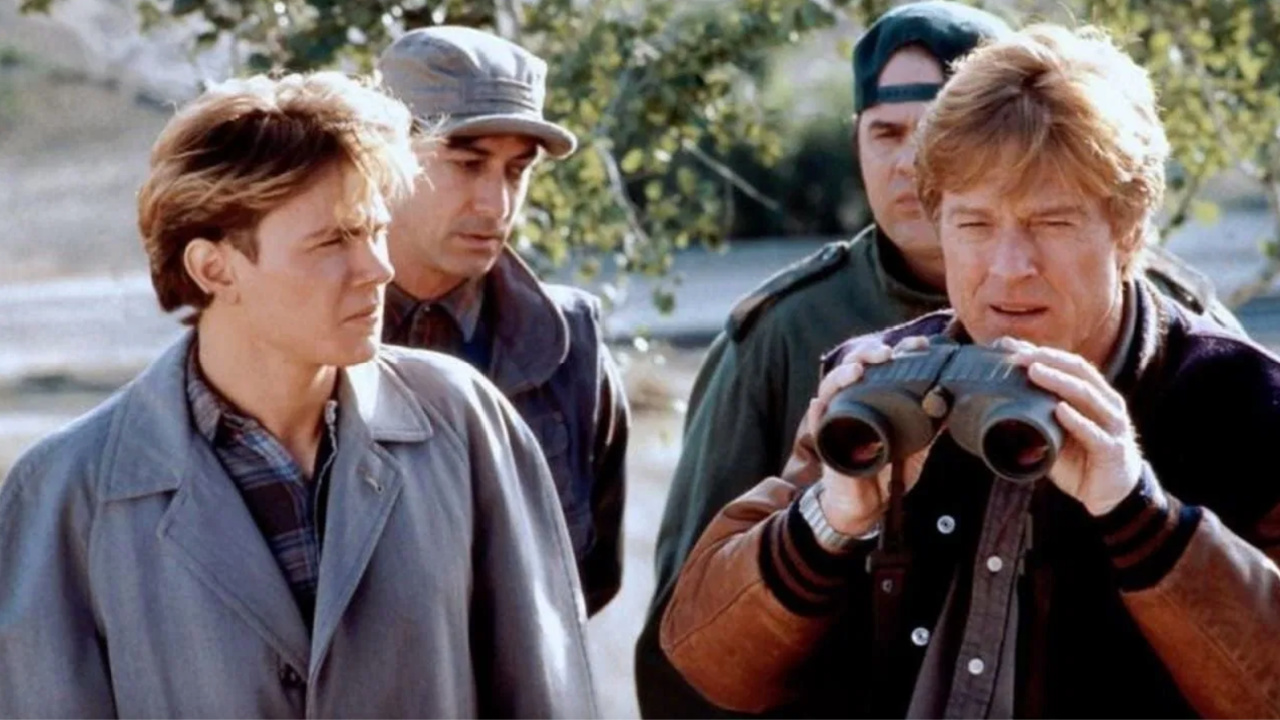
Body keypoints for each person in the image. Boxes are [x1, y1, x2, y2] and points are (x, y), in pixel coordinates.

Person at [635, 2, 1243, 715]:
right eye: (975, 224)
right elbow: (699, 662)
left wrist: (1139, 515)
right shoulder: (878, 371)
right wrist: (828, 521)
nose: (1010, 268)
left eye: (1051, 222)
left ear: (1129, 230)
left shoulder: (1233, 395)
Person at [0, 71, 598, 718]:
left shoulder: (465, 420)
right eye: (333, 239)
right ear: (214, 267)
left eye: (372, 230)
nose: (379, 267)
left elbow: (548, 696)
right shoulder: (66, 492)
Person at [376, 25, 629, 615]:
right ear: (383, 160)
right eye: (467, 164)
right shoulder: (305, 332)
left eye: (516, 171)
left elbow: (588, 583)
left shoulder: (573, 346)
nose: (496, 205)